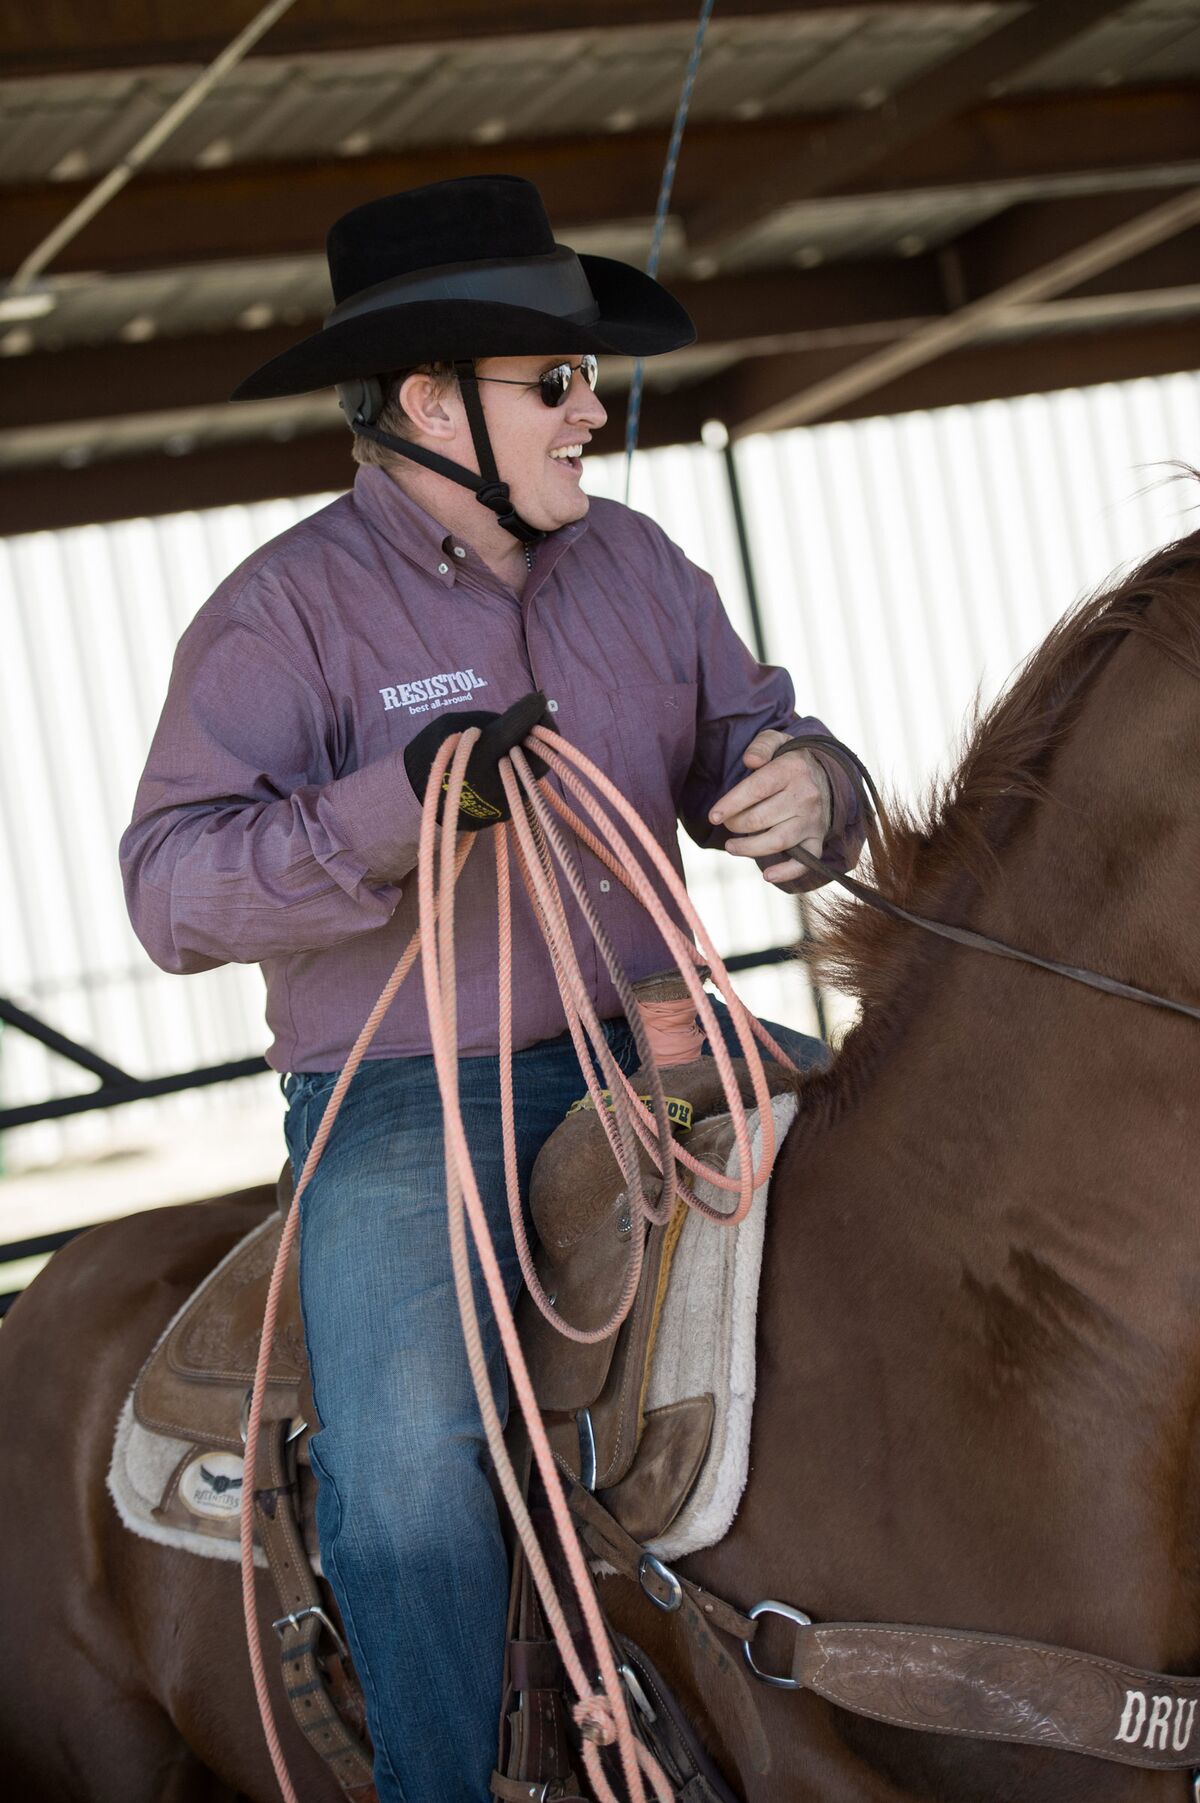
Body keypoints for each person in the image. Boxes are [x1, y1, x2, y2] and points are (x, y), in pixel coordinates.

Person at [120, 174, 864, 1802]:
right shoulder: (280, 619)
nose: (593, 409)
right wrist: (398, 809)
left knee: (942, 1194)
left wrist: (810, 786)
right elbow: (168, 892)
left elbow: (751, 730)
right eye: (555, 380)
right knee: (407, 1472)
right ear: (426, 402)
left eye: (582, 376)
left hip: (670, 1043)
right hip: (410, 1091)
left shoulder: (643, 566)